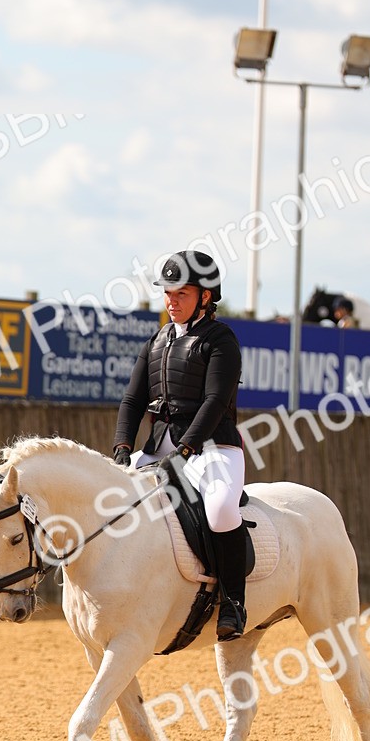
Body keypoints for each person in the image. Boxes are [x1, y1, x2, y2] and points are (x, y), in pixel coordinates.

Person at [112, 250, 247, 640]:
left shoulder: (221, 340)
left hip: (212, 449)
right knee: (112, 499)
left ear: (205, 296)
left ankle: (234, 603)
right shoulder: (157, 341)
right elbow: (132, 401)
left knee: (221, 511)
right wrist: (123, 446)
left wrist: (186, 450)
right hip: (159, 447)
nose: (171, 301)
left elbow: (215, 402)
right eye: (167, 294)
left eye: (181, 294)